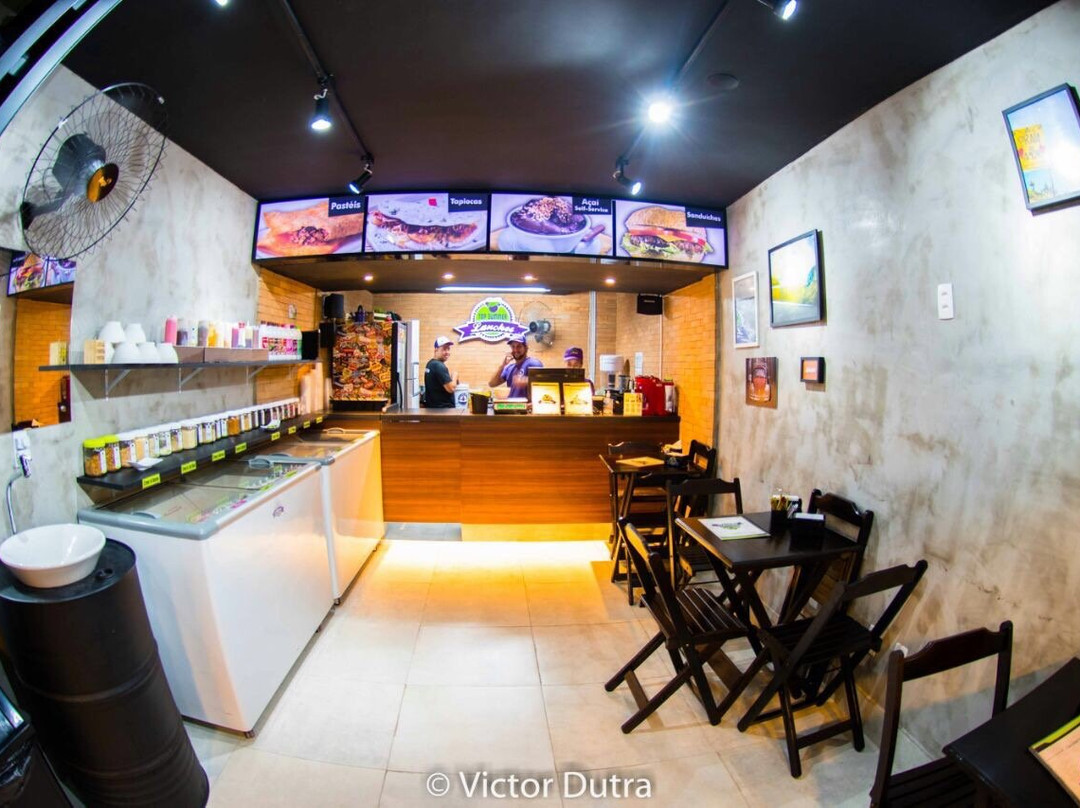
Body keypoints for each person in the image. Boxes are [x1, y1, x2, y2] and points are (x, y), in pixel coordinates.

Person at [488, 334, 543, 398]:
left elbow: (544, 383)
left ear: (526, 347)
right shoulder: (509, 368)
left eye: (519, 346)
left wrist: (527, 381)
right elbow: (492, 384)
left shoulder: (533, 363)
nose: (515, 350)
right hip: (511, 404)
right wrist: (502, 365)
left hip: (527, 404)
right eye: (513, 347)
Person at [424, 336, 459, 408]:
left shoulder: (430, 363)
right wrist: (455, 376)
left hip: (433, 409)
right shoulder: (438, 366)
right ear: (436, 350)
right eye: (444, 349)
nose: (447, 352)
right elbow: (451, 389)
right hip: (443, 410)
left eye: (448, 349)